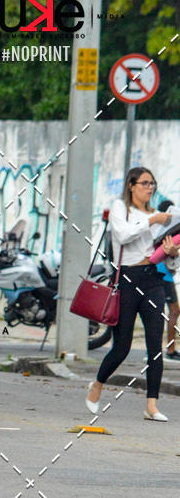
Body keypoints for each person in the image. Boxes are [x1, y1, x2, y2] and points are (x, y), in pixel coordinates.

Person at [86, 167, 180, 421]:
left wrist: (172, 253)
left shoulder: (159, 216)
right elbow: (123, 235)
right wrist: (151, 221)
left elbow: (168, 262)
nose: (150, 188)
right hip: (126, 280)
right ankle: (97, 385)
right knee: (122, 347)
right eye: (145, 183)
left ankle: (152, 405)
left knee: (155, 346)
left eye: (153, 183)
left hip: (152, 280)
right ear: (131, 185)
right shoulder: (121, 209)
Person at [155, 199, 180, 362]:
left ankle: (167, 349)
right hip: (163, 274)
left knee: (166, 311)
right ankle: (170, 350)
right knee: (174, 310)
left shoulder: (160, 230)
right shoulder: (167, 230)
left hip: (162, 273)